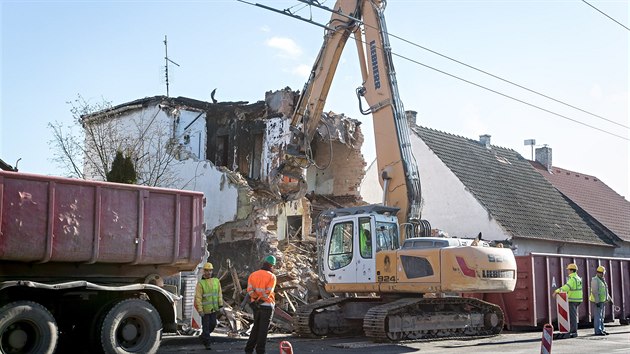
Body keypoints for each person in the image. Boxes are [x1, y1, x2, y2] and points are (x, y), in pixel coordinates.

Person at [245, 255, 277, 354]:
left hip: (256, 306)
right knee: (263, 330)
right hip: (267, 306)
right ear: (272, 265)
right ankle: (260, 351)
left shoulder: (253, 274)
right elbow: (268, 292)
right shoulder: (272, 276)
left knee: (256, 327)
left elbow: (249, 291)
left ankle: (249, 349)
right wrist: (260, 300)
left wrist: (255, 300)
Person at [195, 262, 223, 350]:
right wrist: (200, 310)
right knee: (206, 327)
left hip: (213, 309)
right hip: (205, 311)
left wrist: (220, 305)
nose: (209, 272)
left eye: (210, 271)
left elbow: (219, 294)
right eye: (207, 271)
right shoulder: (200, 284)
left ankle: (203, 336)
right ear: (204, 271)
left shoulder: (216, 281)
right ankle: (207, 343)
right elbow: (198, 298)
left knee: (213, 325)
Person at [554, 263, 583, 338]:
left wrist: (557, 291)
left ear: (571, 270)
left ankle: (573, 331)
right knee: (574, 316)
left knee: (572, 317)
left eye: (568, 270)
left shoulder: (572, 279)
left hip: (572, 299)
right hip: (578, 299)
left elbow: (567, 287)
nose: (568, 271)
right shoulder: (578, 278)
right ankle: (573, 331)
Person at [590, 266, 611, 336]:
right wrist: (597, 301)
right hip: (598, 302)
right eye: (601, 273)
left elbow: (605, 291)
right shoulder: (595, 280)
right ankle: (598, 331)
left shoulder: (602, 280)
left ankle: (602, 329)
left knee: (602, 317)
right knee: (598, 317)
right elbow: (594, 291)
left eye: (602, 273)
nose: (602, 274)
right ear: (598, 273)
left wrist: (609, 299)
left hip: (602, 301)